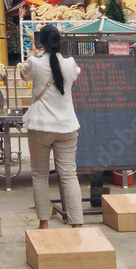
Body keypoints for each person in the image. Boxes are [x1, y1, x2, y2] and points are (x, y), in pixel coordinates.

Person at [21, 24, 83, 228]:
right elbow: (75, 75)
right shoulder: (70, 63)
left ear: (42, 44)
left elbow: (24, 74)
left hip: (40, 126)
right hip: (66, 126)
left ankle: (44, 223)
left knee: (40, 175)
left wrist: (32, 53)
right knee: (68, 175)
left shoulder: (35, 63)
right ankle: (76, 223)